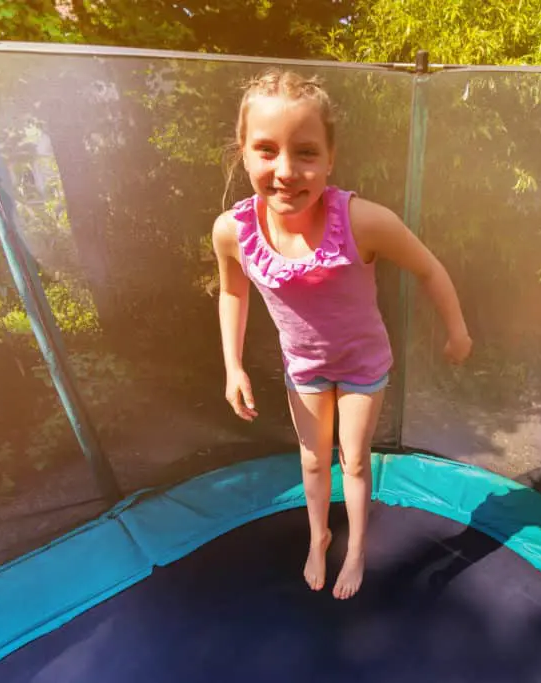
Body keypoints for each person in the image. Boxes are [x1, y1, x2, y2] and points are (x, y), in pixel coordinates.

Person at [212, 69, 472, 600]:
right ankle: (319, 534)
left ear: (330, 158)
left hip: (361, 364)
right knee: (311, 459)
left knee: (353, 458)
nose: (286, 170)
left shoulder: (361, 222)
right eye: (266, 150)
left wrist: (457, 331)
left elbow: (427, 267)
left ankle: (354, 549)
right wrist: (232, 366)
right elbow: (232, 292)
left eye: (306, 152)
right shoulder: (232, 231)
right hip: (303, 366)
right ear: (242, 151)